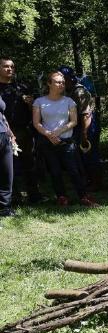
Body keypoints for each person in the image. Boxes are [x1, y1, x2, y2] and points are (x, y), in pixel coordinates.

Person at [33, 71, 97, 207]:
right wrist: (49, 135)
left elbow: (74, 121)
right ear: (49, 84)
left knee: (74, 170)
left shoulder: (69, 101)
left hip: (67, 142)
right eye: (57, 82)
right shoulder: (39, 102)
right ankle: (62, 197)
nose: (61, 84)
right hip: (48, 142)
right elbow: (36, 123)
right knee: (55, 171)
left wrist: (58, 132)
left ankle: (84, 196)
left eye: (62, 82)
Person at [0, 57, 41, 203]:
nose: (9, 69)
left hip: (23, 130)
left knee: (29, 163)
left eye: (12, 67)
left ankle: (34, 196)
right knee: (6, 167)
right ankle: (13, 198)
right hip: (4, 132)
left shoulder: (22, 87)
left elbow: (34, 111)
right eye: (6, 66)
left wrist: (30, 104)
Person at [58, 66, 99, 192]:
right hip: (78, 127)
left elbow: (86, 114)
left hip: (87, 127)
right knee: (80, 157)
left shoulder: (79, 92)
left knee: (89, 155)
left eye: (62, 79)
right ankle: (85, 181)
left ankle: (95, 183)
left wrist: (85, 134)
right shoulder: (68, 91)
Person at [0, 93, 14, 221]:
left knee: (7, 172)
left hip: (3, 135)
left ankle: (5, 207)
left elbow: (2, 115)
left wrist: (10, 132)